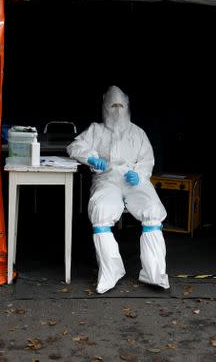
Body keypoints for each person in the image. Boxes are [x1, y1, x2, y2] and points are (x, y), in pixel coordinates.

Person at [67, 86, 169, 294]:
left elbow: (147, 159)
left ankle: (154, 272)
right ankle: (111, 272)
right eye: (112, 105)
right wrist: (91, 157)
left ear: (127, 106)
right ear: (104, 106)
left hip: (134, 179)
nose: (117, 110)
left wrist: (139, 174)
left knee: (151, 210)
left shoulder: (137, 132)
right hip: (106, 178)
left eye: (120, 105)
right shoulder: (95, 130)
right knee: (101, 211)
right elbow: (74, 147)